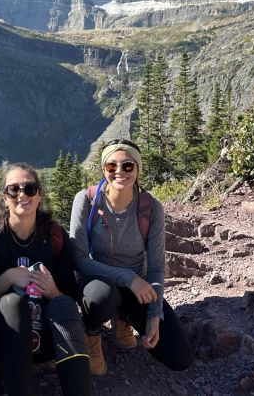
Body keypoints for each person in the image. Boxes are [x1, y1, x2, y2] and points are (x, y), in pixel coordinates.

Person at [70, 140, 192, 375]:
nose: (119, 171)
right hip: (97, 281)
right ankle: (92, 334)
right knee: (102, 296)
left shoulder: (151, 207)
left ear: (137, 169)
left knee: (179, 357)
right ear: (103, 169)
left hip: (136, 285)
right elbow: (79, 260)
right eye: (111, 166)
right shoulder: (86, 200)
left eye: (127, 165)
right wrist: (128, 277)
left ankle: (123, 316)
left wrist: (154, 315)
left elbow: (156, 267)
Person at [0, 162, 90, 396]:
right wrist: (7, 279)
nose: (22, 194)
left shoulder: (55, 236)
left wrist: (53, 291)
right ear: (4, 197)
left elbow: (69, 301)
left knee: (62, 303)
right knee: (12, 303)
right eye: (13, 189)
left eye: (29, 188)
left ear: (39, 196)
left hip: (46, 344)